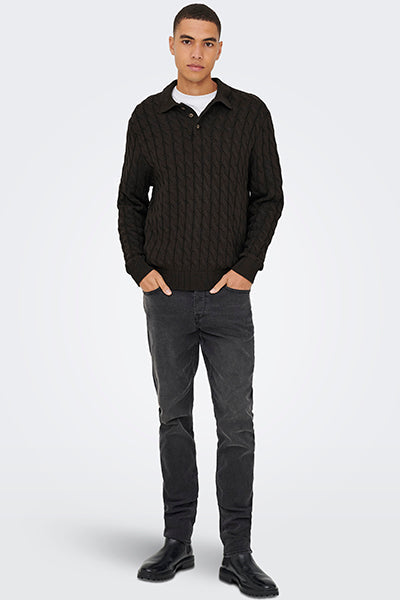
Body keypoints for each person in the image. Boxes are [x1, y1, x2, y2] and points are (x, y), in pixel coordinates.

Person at [117, 3, 284, 597]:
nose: (196, 52)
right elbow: (130, 200)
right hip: (166, 298)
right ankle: (178, 541)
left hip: (227, 299)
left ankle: (237, 552)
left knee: (236, 424)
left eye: (207, 42)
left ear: (219, 48)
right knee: (174, 420)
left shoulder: (249, 113)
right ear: (171, 45)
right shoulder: (148, 116)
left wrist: (245, 268)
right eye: (186, 41)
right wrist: (140, 268)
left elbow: (269, 197)